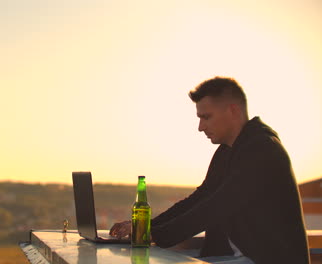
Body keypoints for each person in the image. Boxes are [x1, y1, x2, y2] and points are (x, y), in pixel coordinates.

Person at [110, 77, 310, 264]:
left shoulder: (262, 148)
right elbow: (200, 199)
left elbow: (217, 206)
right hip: (235, 257)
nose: (200, 127)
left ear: (233, 111)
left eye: (206, 117)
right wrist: (147, 228)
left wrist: (153, 234)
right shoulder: (227, 150)